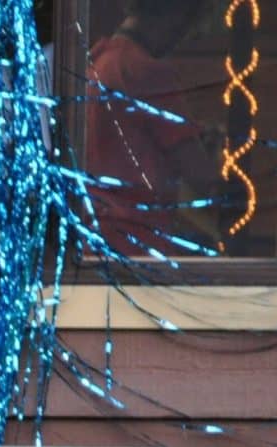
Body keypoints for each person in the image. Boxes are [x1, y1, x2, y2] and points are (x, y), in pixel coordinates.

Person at [84, 0, 215, 256]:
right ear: (176, 15)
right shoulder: (147, 72)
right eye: (191, 25)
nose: (184, 38)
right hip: (140, 242)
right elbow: (200, 176)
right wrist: (213, 154)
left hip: (95, 238)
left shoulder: (98, 62)